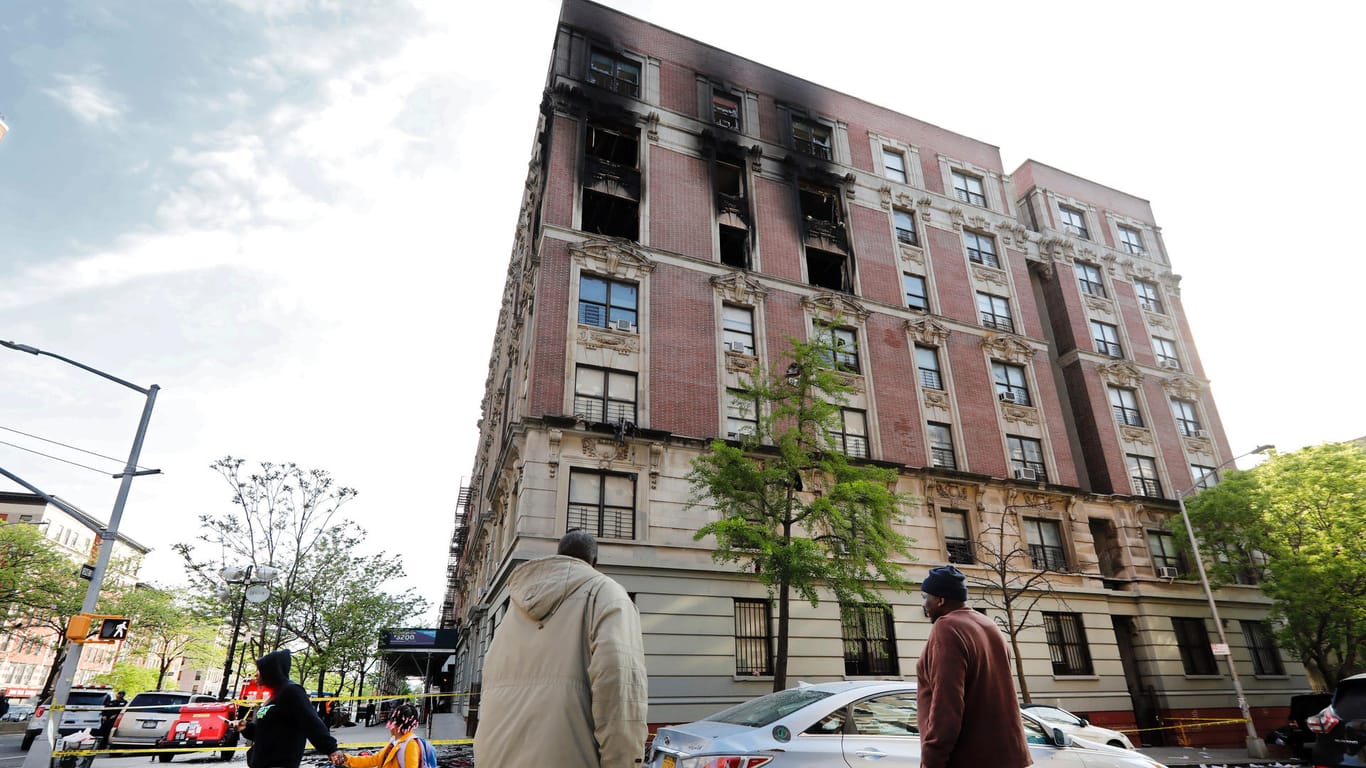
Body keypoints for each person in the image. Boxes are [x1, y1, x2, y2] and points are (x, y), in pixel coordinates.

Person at [474, 529, 648, 768]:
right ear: (594, 562)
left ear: (560, 556)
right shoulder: (607, 594)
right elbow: (619, 691)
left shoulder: (512, 613)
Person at [916, 565, 1031, 768]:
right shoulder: (990, 626)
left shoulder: (947, 628)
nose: (925, 604)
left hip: (970, 758)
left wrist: (932, 760)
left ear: (941, 600)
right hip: (1009, 757)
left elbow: (947, 705)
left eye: (927, 597)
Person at [232, 649, 344, 768]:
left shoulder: (291, 691)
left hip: (279, 763)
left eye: (259, 670)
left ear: (271, 671)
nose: (256, 674)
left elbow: (311, 722)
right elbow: (265, 731)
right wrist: (246, 727)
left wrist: (331, 749)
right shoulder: (275, 694)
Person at [338, 703, 423, 768]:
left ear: (395, 723)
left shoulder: (410, 745)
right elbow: (374, 759)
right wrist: (347, 759)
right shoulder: (394, 741)